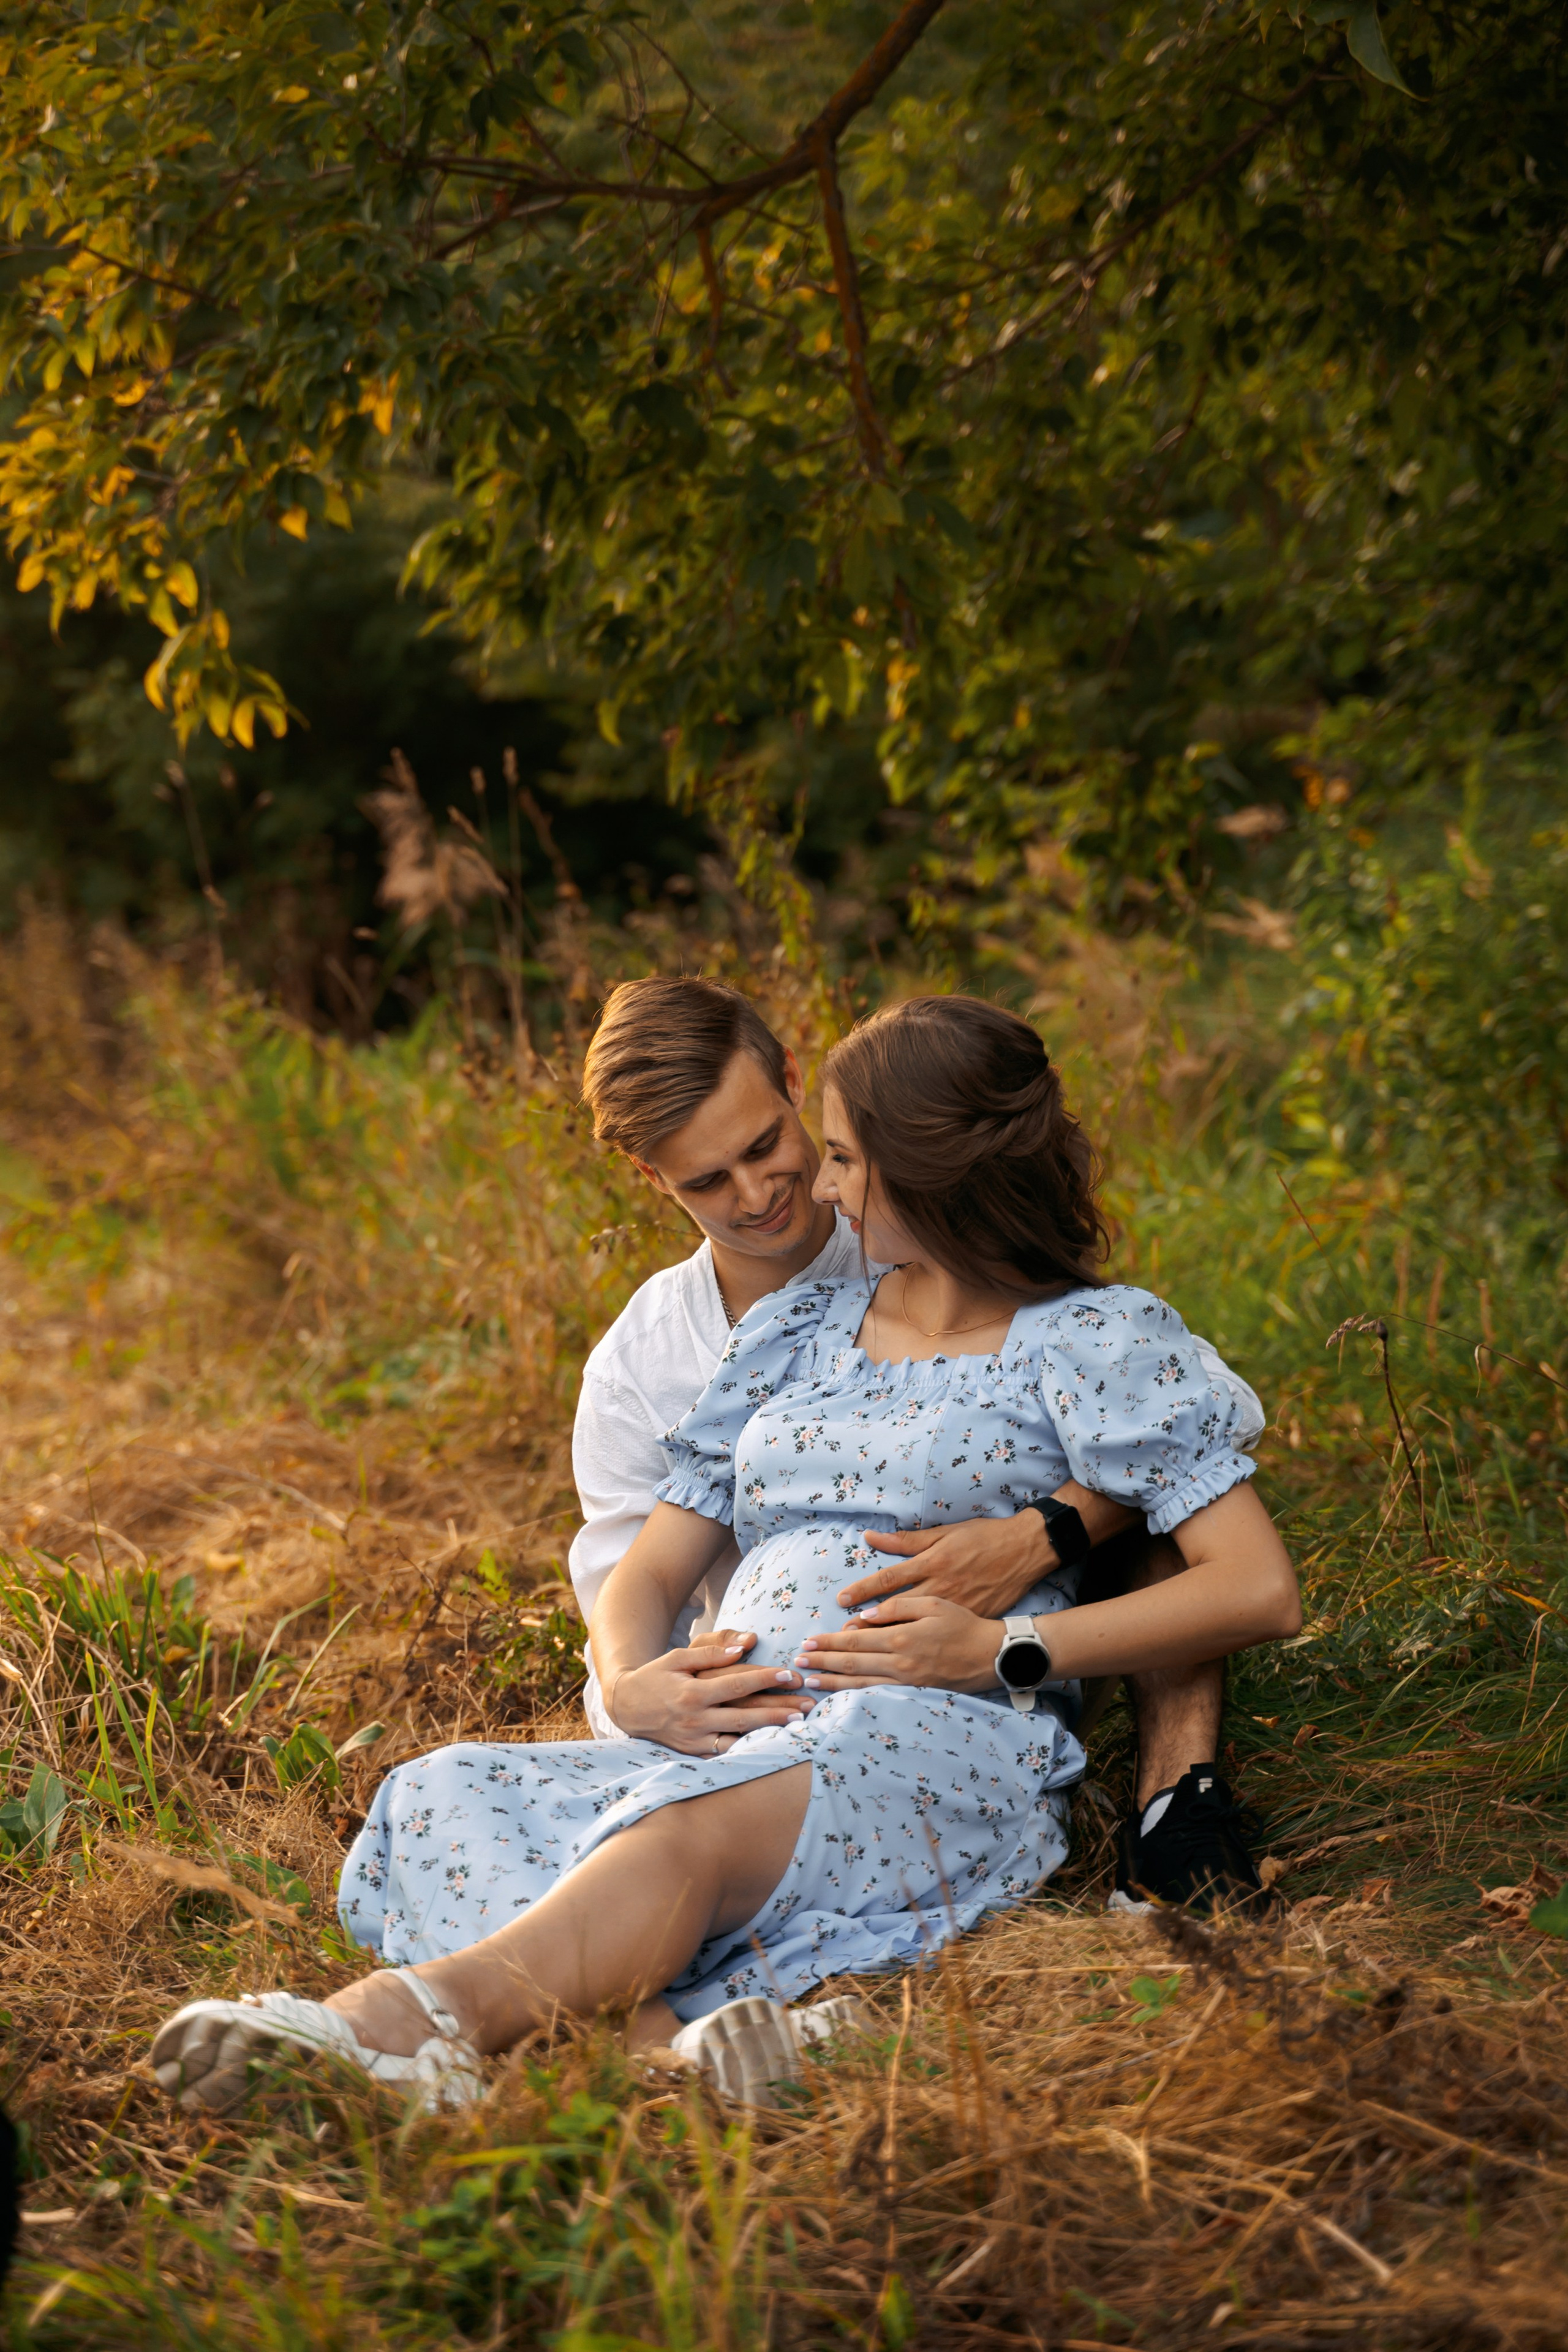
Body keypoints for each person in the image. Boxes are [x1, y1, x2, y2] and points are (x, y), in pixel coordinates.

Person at [150, 995, 1300, 2116]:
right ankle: (676, 2055)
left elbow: (1254, 1583)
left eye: (830, 1157)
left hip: (919, 1726)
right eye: (734, 1174)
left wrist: (1004, 1646)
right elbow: (649, 1563)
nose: (816, 1194)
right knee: (444, 1795)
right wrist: (632, 1682)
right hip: (750, 1720)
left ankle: (390, 2025)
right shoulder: (788, 1332)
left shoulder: (1092, 1338)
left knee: (679, 1830)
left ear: (931, 1175)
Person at [569, 976, 1269, 1908]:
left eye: (771, 1145)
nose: (762, 1192)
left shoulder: (922, 1224)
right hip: (775, 1683)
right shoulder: (645, 1365)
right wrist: (634, 1694)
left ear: (787, 1080)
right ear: (650, 1179)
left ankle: (1175, 1805)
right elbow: (632, 1595)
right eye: (706, 1181)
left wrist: (1048, 1531)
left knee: (1145, 1516)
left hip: (982, 1669)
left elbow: (1192, 1418)